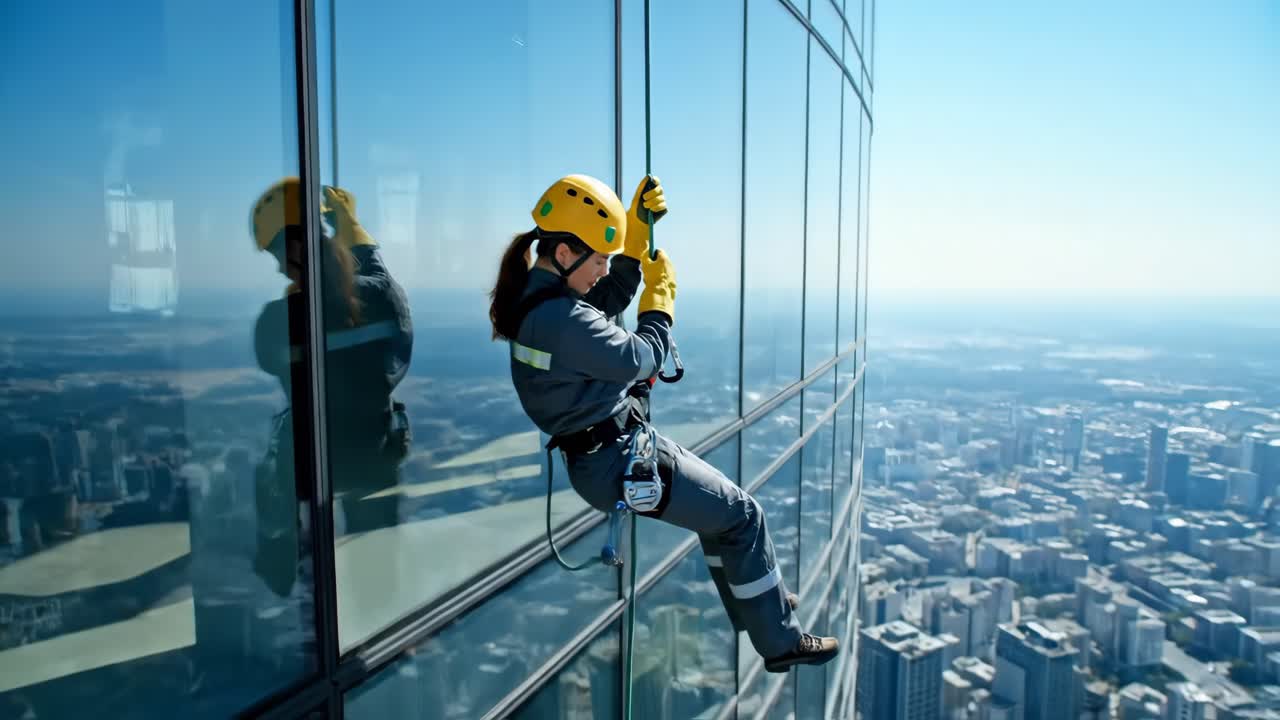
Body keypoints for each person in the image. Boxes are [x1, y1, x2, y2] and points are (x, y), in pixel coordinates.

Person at [489, 174, 839, 672]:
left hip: (606, 454)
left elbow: (601, 303)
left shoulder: (536, 300)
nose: (602, 271)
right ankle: (779, 642)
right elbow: (643, 357)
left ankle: (763, 609)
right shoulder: (562, 320)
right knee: (743, 516)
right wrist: (662, 299)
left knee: (725, 522)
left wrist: (633, 245)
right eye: (598, 260)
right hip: (615, 459)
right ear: (565, 254)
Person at [249, 177, 413, 596]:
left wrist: (300, 300)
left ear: (296, 249)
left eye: (278, 255)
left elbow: (270, 359)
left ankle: (280, 567)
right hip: (374, 456)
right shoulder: (377, 301)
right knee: (376, 563)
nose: (279, 267)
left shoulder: (278, 319)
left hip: (314, 464)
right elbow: (391, 300)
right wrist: (355, 234)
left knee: (269, 475)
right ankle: (379, 610)